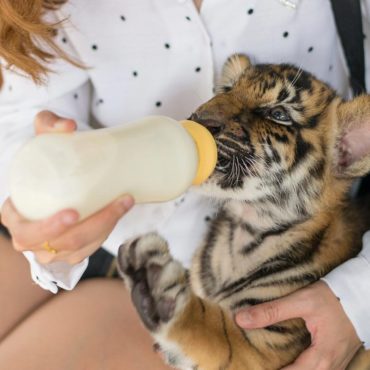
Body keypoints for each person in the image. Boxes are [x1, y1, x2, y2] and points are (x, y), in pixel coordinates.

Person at [0, 0, 369, 369]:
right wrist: (36, 215)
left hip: (205, 284)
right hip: (96, 236)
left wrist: (355, 299)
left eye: (275, 115)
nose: (209, 112)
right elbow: (20, 110)